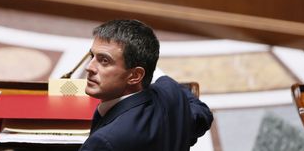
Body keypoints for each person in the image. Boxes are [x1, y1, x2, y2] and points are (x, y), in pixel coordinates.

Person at [79, 19, 213, 151]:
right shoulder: (172, 92)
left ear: (135, 76)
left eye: (104, 61)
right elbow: (203, 115)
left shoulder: (104, 142)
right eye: (92, 56)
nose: (89, 67)